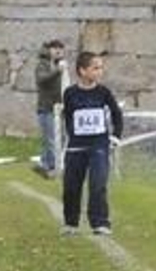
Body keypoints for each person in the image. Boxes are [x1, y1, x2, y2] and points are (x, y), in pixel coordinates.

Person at [59, 51, 124, 236]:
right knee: (71, 186)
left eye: (101, 68)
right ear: (82, 71)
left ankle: (100, 222)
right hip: (76, 146)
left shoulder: (104, 92)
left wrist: (115, 136)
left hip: (99, 146)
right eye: (95, 68)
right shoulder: (70, 93)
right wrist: (73, 137)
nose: (99, 71)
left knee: (98, 184)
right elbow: (69, 117)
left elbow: (117, 114)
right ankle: (71, 222)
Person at [33, 38, 68, 178]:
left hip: (59, 108)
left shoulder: (62, 65)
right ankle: (53, 166)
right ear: (49, 50)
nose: (58, 51)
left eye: (60, 48)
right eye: (54, 48)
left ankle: (45, 164)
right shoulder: (42, 65)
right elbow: (42, 80)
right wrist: (57, 72)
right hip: (46, 108)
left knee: (57, 138)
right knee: (50, 138)